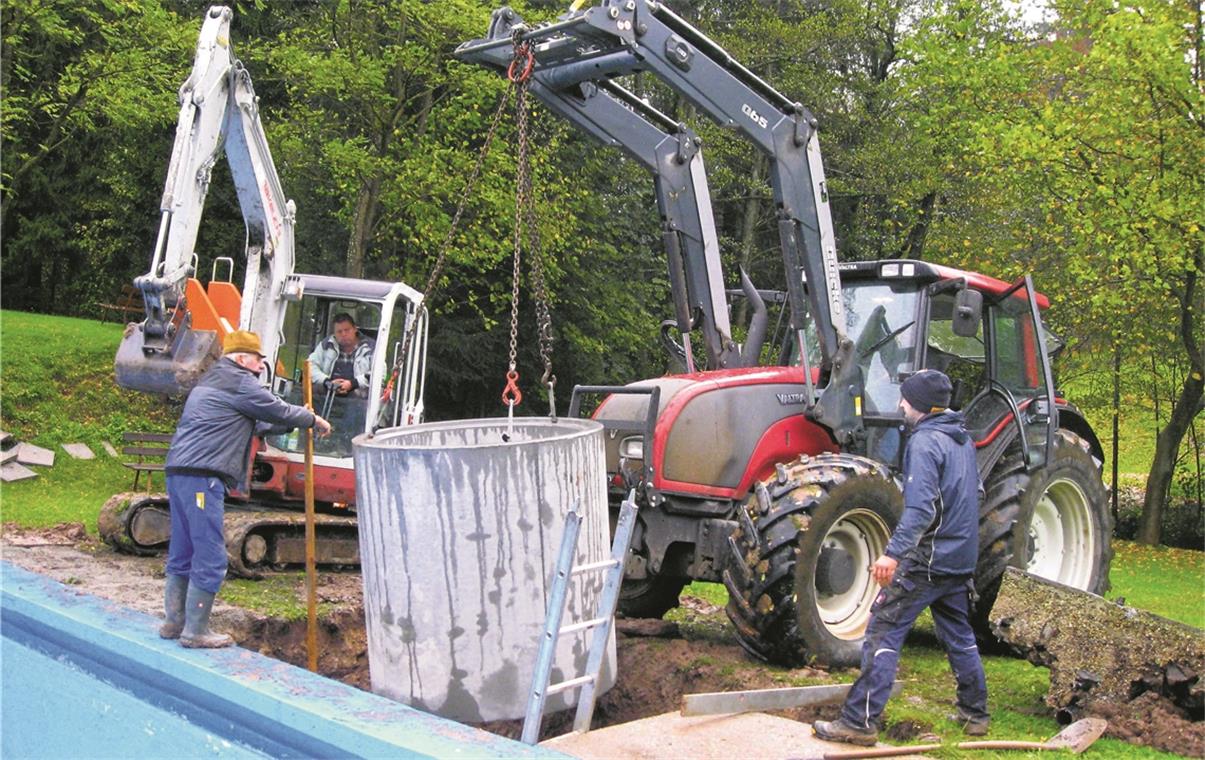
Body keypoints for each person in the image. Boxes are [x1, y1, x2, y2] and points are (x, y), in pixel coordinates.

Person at [814, 369, 989, 746]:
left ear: (919, 405)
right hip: (960, 559)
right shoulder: (961, 439)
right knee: (959, 634)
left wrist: (893, 554)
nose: (900, 405)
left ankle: (859, 722)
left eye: (905, 400)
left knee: (882, 630)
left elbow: (921, 509)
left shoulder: (925, 443)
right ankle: (975, 714)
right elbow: (977, 493)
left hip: (928, 560)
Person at [161, 330, 331, 648]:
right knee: (210, 555)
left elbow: (263, 422)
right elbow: (276, 409)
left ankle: (174, 623)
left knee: (183, 550)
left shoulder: (215, 380)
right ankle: (195, 631)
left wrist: (297, 419)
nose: (260, 366)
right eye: (257, 360)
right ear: (242, 359)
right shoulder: (240, 381)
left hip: (180, 472)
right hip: (203, 477)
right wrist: (310, 418)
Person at [308, 312, 374, 399]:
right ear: (334, 334)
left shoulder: (371, 348)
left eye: (347, 330)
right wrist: (327, 382)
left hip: (360, 403)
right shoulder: (326, 345)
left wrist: (353, 384)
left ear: (355, 329)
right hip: (327, 400)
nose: (343, 334)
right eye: (339, 331)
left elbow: (379, 374)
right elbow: (309, 367)